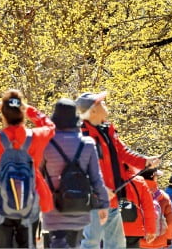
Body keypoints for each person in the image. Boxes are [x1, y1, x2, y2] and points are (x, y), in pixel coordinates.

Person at [0, 89, 55, 248]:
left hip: (0, 201)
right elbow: (50, 126)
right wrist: (29, 109)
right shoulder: (36, 136)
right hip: (30, 200)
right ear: (23, 114)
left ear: (2, 115)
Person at [76, 91, 160, 249]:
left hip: (112, 200)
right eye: (101, 103)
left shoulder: (107, 131)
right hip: (93, 202)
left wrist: (145, 161)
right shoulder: (81, 137)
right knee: (91, 243)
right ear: (93, 111)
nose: (105, 105)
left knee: (117, 245)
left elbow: (124, 152)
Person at [41, 98, 110, 249]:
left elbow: (37, 177)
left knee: (57, 243)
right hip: (80, 205)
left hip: (54, 208)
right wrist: (104, 205)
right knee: (75, 244)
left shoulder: (45, 143)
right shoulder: (88, 144)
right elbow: (96, 179)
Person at [121, 167, 157, 248]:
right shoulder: (138, 181)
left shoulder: (105, 180)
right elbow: (148, 207)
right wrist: (150, 230)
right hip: (133, 230)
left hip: (110, 228)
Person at [139, 169, 172, 249]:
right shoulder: (164, 196)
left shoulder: (134, 194)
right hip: (160, 240)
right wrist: (169, 238)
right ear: (154, 177)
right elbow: (170, 221)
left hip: (139, 241)